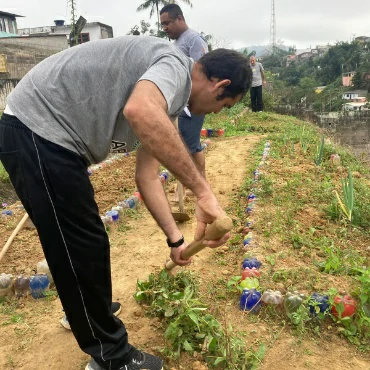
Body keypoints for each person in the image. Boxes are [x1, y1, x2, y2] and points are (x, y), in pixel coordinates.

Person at [0, 36, 252, 370]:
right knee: (80, 243)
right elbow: (139, 110)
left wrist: (175, 240)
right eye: (226, 105)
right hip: (36, 128)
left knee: (85, 240)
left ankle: (92, 313)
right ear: (219, 85)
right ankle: (111, 358)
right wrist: (204, 193)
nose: (218, 112)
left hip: (44, 135)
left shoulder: (169, 103)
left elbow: (147, 178)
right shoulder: (175, 66)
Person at [160, 4, 208, 190]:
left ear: (180, 18)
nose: (165, 28)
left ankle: (201, 183)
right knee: (181, 144)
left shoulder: (194, 40)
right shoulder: (176, 43)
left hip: (192, 104)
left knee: (191, 144)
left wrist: (191, 100)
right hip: (177, 103)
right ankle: (191, 184)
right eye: (162, 24)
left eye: (168, 23)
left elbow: (202, 72)